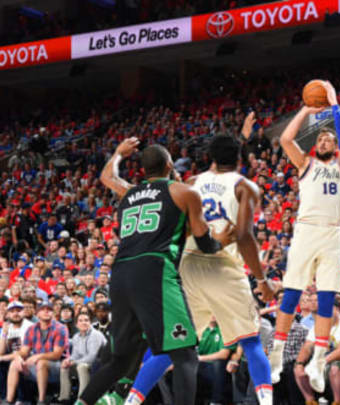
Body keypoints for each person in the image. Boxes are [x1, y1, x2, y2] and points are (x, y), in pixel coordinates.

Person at [75, 139, 232, 405]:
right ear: (170, 165)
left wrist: (118, 153)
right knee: (185, 354)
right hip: (154, 271)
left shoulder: (129, 192)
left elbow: (107, 176)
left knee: (120, 360)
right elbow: (205, 243)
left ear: (143, 169)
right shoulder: (184, 192)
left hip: (121, 273)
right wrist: (224, 240)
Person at [271, 81, 340, 394]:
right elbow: (285, 138)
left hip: (332, 232)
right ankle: (277, 353)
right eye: (320, 138)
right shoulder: (305, 164)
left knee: (326, 298)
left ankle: (319, 360)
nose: (324, 140)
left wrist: (333, 105)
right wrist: (306, 109)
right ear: (315, 145)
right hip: (306, 229)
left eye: (328, 137)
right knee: (291, 295)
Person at [294, 295, 340, 405]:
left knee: (336, 367)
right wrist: (299, 363)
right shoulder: (318, 326)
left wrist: (320, 362)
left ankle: (338, 402)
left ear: (338, 310)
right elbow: (307, 347)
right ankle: (310, 401)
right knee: (298, 369)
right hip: (323, 362)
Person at [5, 301, 69, 405]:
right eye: (43, 309)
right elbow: (24, 351)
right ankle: (9, 401)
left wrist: (37, 356)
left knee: (41, 362)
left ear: (53, 313)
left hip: (59, 367)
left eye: (49, 310)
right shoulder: (32, 329)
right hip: (37, 367)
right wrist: (18, 357)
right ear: (37, 313)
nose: (46, 312)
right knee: (14, 364)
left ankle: (41, 401)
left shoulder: (60, 328)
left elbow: (57, 355)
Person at [0, 301, 32, 404]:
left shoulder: (29, 326)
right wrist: (3, 334)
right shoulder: (7, 327)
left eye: (18, 311)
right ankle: (3, 397)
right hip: (12, 358)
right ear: (7, 314)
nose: (15, 313)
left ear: (24, 312)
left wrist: (3, 358)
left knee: (17, 363)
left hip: (28, 359)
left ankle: (22, 399)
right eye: (12, 311)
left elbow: (24, 352)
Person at [58, 313, 106, 403]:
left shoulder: (95, 335)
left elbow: (92, 357)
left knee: (81, 366)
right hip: (84, 363)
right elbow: (75, 355)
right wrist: (68, 360)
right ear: (76, 325)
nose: (84, 323)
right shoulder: (76, 337)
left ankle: (82, 400)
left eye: (86, 320)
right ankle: (64, 399)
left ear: (90, 323)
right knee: (64, 367)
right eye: (81, 321)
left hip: (99, 365)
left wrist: (75, 362)